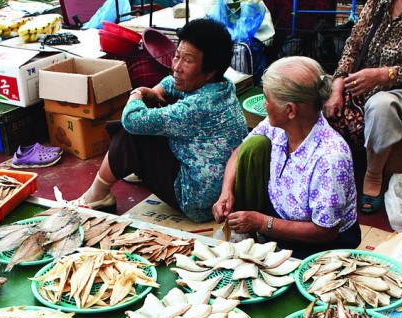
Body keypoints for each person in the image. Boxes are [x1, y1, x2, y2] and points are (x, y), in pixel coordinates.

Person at [74, 18, 247, 221]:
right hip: (219, 189)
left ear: (209, 71)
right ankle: (132, 166)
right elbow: (170, 83)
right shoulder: (223, 85)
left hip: (197, 200)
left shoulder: (196, 108)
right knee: (159, 107)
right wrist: (154, 94)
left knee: (131, 133)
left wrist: (137, 93)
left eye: (188, 61)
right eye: (176, 56)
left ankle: (98, 195)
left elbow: (131, 120)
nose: (177, 67)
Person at [213, 56, 360, 256]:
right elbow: (239, 152)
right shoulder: (278, 127)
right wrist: (226, 193)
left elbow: (325, 231)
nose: (264, 104)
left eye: (268, 99)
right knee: (253, 146)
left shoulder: (331, 158)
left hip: (320, 244)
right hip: (279, 216)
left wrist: (262, 223)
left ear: (290, 110)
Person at [325, 0, 402, 214]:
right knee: (308, 84)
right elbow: (352, 50)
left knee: (381, 105)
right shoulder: (376, 3)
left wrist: (384, 75)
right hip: (361, 85)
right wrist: (337, 84)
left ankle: (373, 174)